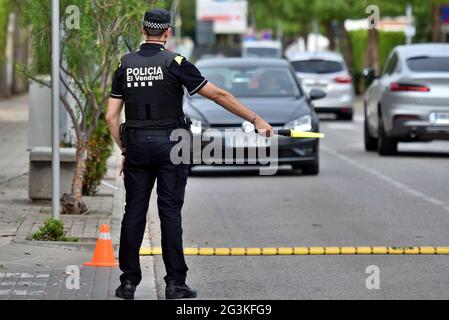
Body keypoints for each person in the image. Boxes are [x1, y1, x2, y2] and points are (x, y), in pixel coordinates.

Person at [106, 8, 273, 300]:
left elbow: (111, 117)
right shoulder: (176, 63)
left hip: (137, 146)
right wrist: (255, 119)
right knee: (169, 212)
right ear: (167, 32)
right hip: (172, 145)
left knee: (133, 212)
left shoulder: (125, 64)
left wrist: (125, 149)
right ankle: (175, 284)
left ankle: (128, 283)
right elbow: (219, 95)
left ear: (143, 30)